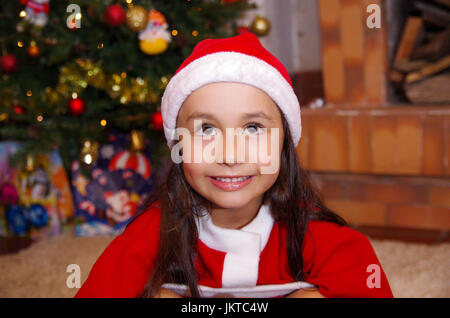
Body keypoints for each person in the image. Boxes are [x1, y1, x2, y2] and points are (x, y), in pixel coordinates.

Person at [75, 33, 393, 298]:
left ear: (284, 143)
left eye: (253, 128)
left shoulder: (314, 233)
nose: (230, 155)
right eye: (206, 129)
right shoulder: (155, 231)